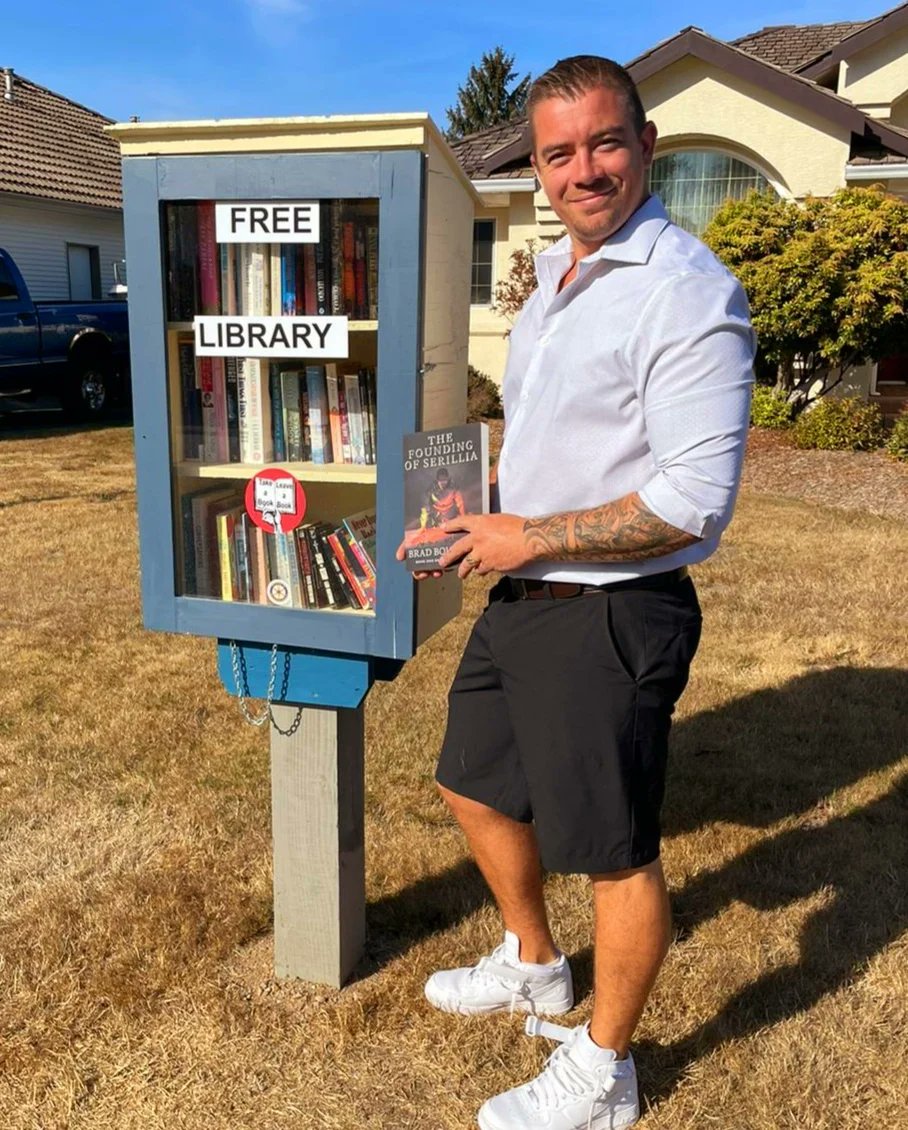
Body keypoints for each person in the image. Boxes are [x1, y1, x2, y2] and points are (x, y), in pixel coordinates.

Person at [398, 55, 754, 1130]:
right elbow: (563, 442)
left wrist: (526, 532)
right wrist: (483, 501)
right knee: (470, 779)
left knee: (611, 850)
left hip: (610, 608)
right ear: (539, 168)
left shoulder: (688, 293)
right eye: (558, 153)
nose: (581, 169)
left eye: (603, 143)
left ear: (646, 145)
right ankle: (534, 960)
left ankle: (603, 1070)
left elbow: (692, 500)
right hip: (521, 590)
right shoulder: (552, 277)